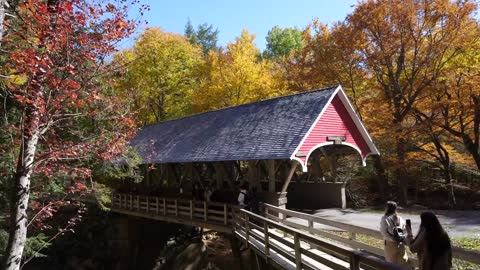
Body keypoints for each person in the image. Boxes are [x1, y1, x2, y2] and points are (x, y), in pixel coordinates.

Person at [379, 201, 409, 266]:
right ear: (395, 209)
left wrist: (393, 239)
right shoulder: (399, 218)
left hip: (390, 244)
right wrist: (399, 238)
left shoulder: (385, 218)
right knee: (401, 262)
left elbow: (383, 232)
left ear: (387, 208)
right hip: (400, 242)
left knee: (391, 263)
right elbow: (404, 230)